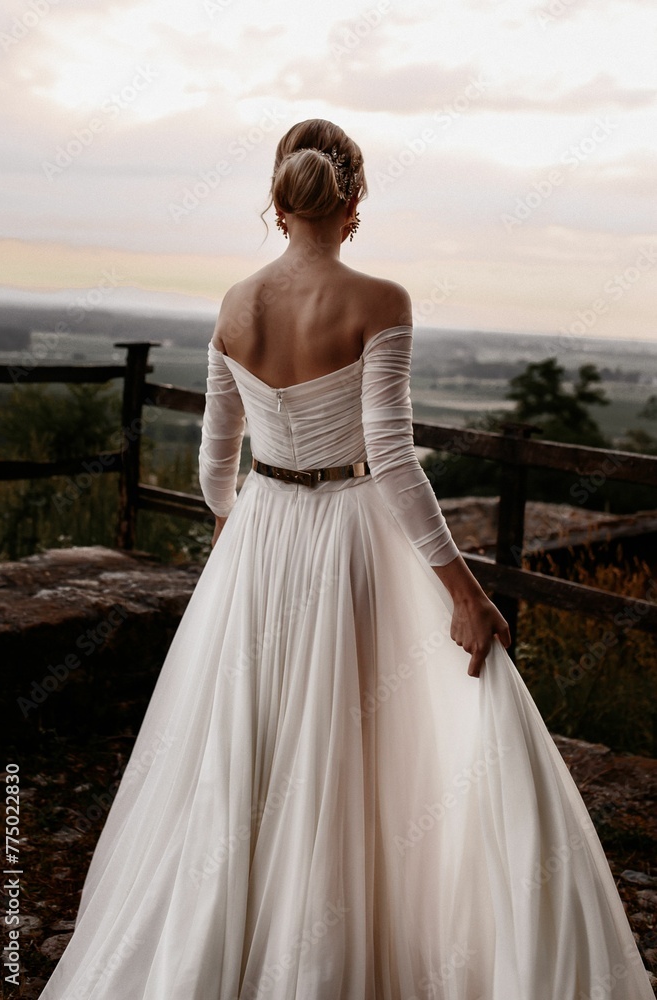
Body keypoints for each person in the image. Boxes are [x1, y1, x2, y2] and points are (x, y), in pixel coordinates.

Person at [39, 119, 654, 999]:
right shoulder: (382, 300)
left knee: (249, 738)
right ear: (354, 200)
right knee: (359, 734)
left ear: (278, 199)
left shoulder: (232, 307)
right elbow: (394, 457)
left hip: (261, 532)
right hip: (348, 536)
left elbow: (217, 464)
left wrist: (237, 527)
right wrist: (462, 591)